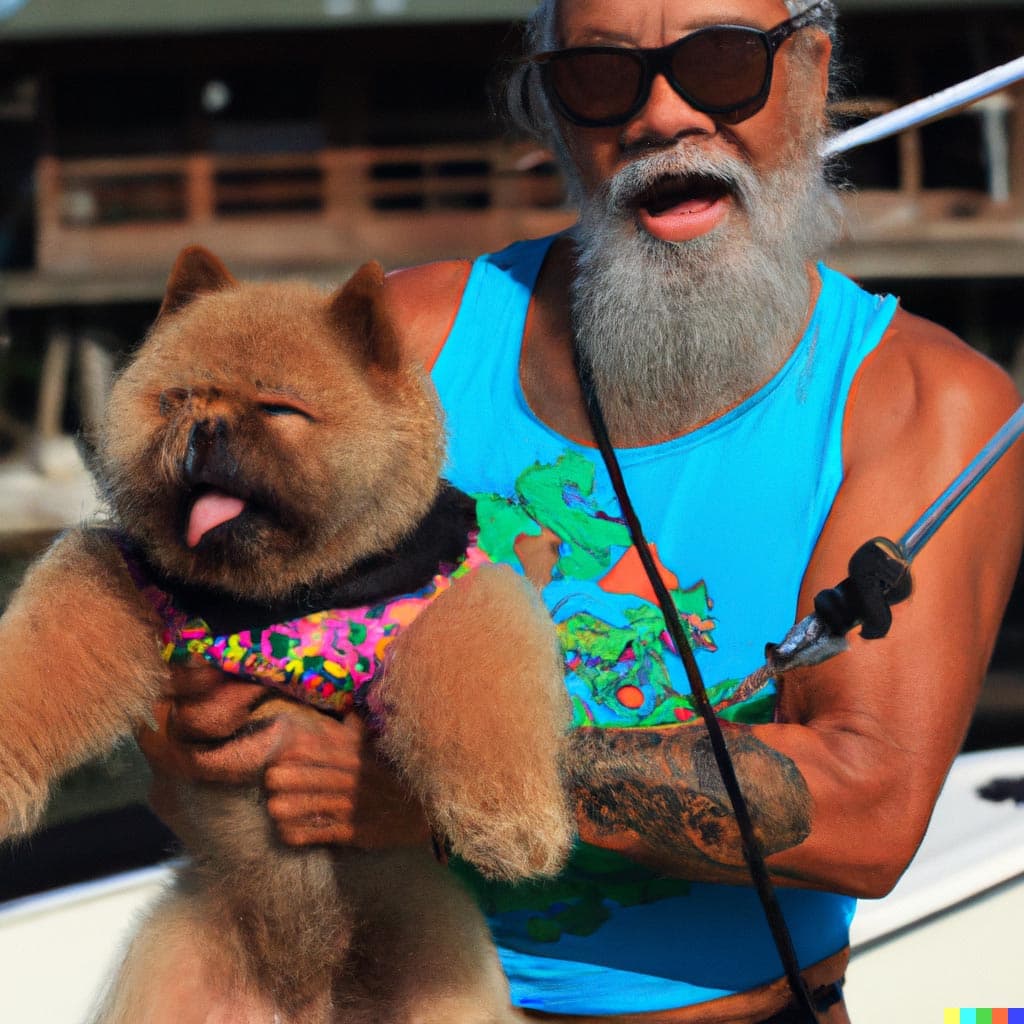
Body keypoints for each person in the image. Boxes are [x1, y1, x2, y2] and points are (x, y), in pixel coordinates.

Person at [140, 0, 1024, 1020]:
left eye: (724, 62)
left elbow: (867, 808)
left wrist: (434, 781)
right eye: (601, 77)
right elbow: (164, 653)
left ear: (815, 74)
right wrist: (209, 713)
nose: (660, 114)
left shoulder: (925, 404)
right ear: (551, 109)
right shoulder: (400, 342)